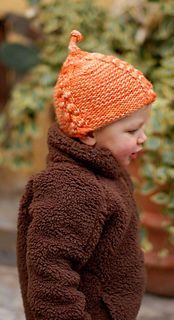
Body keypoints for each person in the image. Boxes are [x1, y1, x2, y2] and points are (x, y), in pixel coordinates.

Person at [17, 30, 156, 320]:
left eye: (143, 128)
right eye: (132, 131)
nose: (143, 138)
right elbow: (50, 275)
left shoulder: (104, 174)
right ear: (90, 133)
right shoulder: (71, 187)